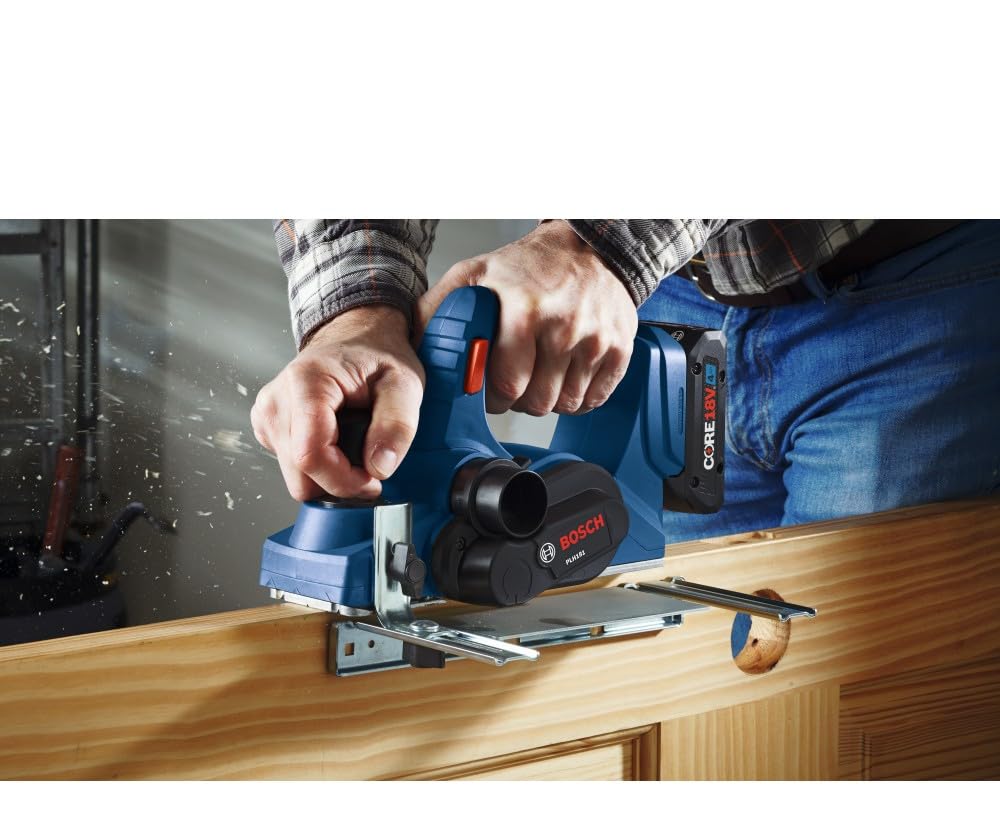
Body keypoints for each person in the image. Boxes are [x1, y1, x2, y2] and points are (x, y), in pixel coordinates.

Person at [252, 219, 1000, 540]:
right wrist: (357, 314)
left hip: (909, 289)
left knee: (853, 709)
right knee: (682, 683)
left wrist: (599, 245)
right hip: (669, 296)